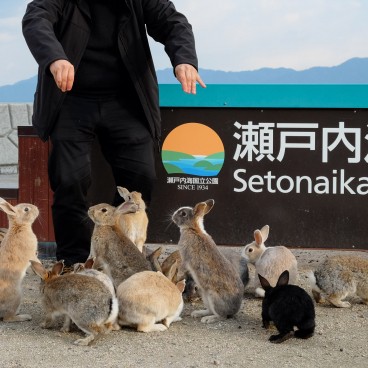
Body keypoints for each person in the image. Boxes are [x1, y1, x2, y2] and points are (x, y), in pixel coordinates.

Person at [22, 0, 206, 268]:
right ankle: (74, 261)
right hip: (70, 98)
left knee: (140, 179)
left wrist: (184, 60)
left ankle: (122, 256)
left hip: (125, 100)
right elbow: (36, 19)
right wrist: (55, 57)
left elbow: (172, 22)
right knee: (69, 178)